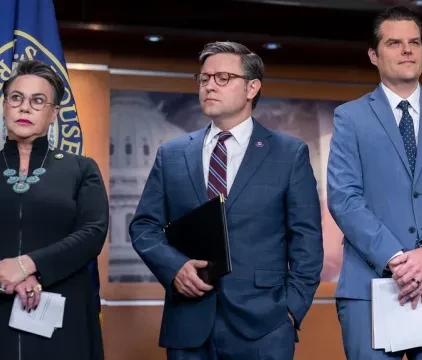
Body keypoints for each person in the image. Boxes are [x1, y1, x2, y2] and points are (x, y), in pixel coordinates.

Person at [129, 41, 323, 360]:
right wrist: (174, 268)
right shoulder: (172, 154)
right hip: (188, 323)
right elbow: (144, 227)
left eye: (222, 78)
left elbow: (307, 239)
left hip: (265, 325)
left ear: (251, 87)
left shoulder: (289, 154)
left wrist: (291, 309)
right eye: (204, 79)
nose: (209, 86)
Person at [327, 6, 422, 360]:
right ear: (373, 55)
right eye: (394, 43)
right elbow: (344, 197)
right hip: (371, 285)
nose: (407, 50)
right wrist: (396, 259)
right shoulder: (350, 117)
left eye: (414, 42)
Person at [0, 59, 108, 359]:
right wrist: (3, 276)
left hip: (62, 310)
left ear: (53, 114)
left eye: (37, 100)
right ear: (4, 107)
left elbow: (93, 233)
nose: (24, 108)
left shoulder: (82, 169)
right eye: (16, 98)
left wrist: (28, 265)